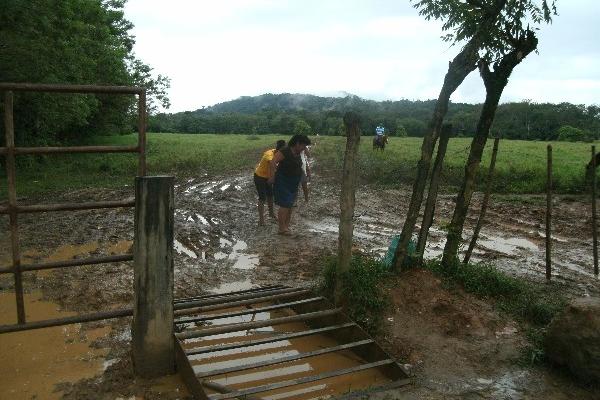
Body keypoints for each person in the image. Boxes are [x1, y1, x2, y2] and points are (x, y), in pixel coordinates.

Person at [269, 134, 311, 235]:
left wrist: (305, 174)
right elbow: (273, 162)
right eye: (303, 146)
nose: (304, 148)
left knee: (290, 205)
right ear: (297, 143)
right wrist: (272, 177)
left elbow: (300, 165)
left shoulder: (298, 153)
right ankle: (281, 228)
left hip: (293, 182)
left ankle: (286, 226)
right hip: (283, 181)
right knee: (285, 204)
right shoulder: (285, 151)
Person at [254, 139, 286, 226]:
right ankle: (261, 220)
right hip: (259, 177)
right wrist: (273, 177)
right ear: (278, 150)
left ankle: (271, 214)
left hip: (268, 177)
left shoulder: (278, 154)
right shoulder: (269, 154)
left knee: (270, 196)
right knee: (262, 198)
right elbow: (272, 163)